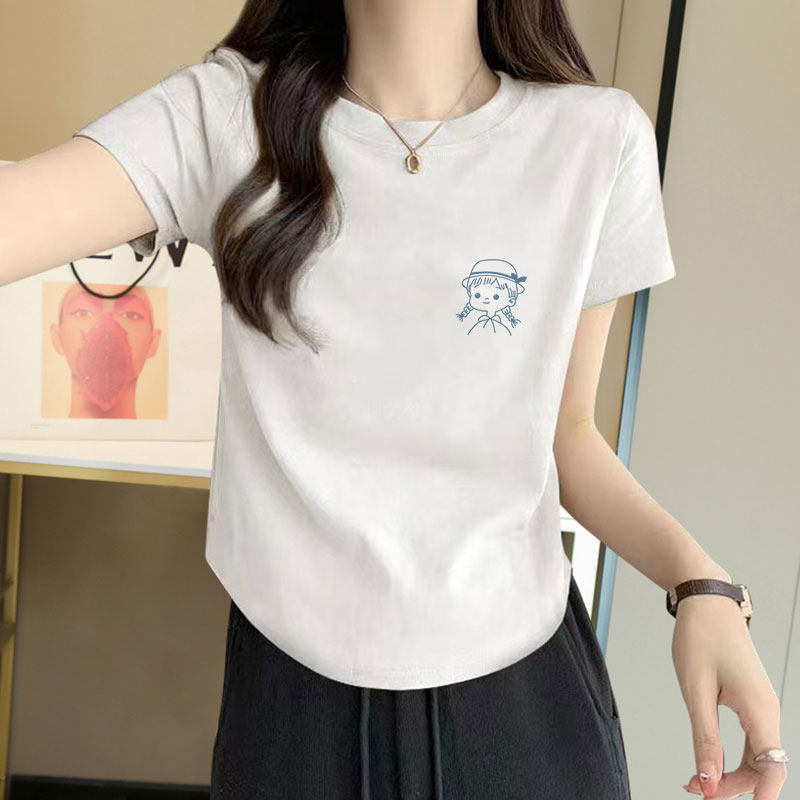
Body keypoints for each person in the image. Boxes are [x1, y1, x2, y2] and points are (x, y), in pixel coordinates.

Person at [0, 0, 787, 798]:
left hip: (522, 708)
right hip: (292, 715)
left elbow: (569, 435)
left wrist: (702, 584)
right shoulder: (226, 117)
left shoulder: (595, 139)